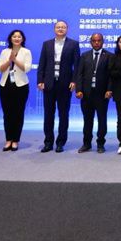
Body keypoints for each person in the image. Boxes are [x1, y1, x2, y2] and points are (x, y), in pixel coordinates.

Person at [37, 20, 79, 153]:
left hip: (65, 84)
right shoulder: (47, 44)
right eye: (58, 27)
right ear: (54, 29)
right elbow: (42, 63)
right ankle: (48, 142)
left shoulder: (73, 44)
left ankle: (61, 142)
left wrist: (74, 81)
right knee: (48, 114)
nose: (60, 29)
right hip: (49, 83)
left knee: (63, 114)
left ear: (67, 29)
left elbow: (77, 65)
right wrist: (40, 80)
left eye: (63, 27)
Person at [75, 33, 113, 154]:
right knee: (87, 120)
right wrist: (78, 90)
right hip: (86, 94)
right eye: (94, 41)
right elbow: (79, 74)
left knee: (102, 120)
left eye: (99, 40)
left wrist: (109, 89)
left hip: (102, 94)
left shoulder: (109, 56)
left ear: (103, 41)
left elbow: (111, 76)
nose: (96, 43)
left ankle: (100, 143)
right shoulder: (84, 55)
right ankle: (86, 144)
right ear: (90, 42)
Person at [0, 29, 32, 151]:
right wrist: (9, 60)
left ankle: (15, 140)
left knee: (18, 113)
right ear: (10, 38)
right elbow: (0, 69)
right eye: (14, 36)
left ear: (22, 39)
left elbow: (27, 68)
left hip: (21, 86)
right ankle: (8, 139)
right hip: (5, 85)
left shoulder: (26, 52)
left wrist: (15, 60)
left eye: (19, 36)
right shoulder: (4, 51)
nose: (16, 38)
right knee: (7, 114)